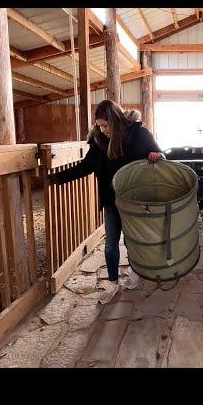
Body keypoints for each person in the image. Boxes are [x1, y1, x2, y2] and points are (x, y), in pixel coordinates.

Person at [52, 99, 164, 304]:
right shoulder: (99, 141)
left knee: (132, 241)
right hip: (111, 202)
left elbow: (159, 154)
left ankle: (135, 274)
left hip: (134, 202)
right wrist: (56, 179)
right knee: (111, 244)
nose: (102, 130)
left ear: (116, 120)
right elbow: (84, 167)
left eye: (105, 125)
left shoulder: (139, 134)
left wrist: (156, 156)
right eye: (99, 125)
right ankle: (113, 283)